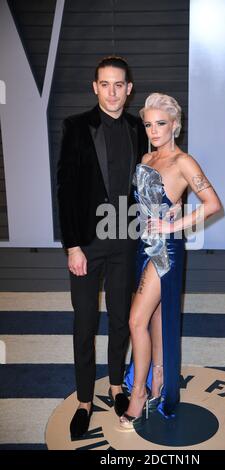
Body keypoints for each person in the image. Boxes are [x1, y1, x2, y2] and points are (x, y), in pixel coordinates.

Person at [57, 56, 147, 439]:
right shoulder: (76, 127)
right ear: (95, 87)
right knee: (84, 323)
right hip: (88, 243)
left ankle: (114, 386)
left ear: (129, 89)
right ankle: (83, 400)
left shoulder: (137, 127)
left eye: (119, 85)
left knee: (121, 318)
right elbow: (65, 188)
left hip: (126, 237)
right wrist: (72, 246)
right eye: (105, 84)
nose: (112, 92)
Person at [120, 93, 222, 429]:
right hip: (143, 246)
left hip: (165, 251)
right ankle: (160, 383)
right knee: (155, 321)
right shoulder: (147, 156)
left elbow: (212, 204)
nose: (153, 130)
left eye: (160, 123)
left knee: (136, 320)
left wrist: (172, 224)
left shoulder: (184, 162)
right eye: (148, 124)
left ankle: (139, 393)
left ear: (175, 125)